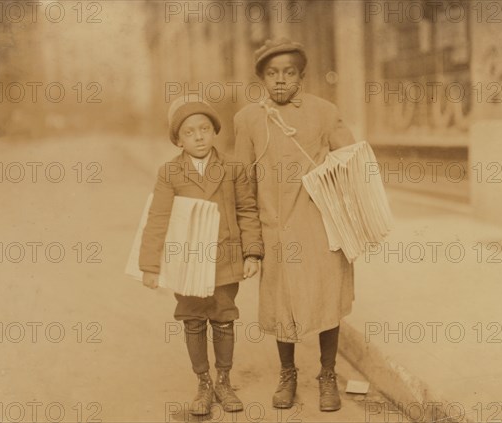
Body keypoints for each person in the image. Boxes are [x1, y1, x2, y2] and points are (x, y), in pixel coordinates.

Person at [233, 38, 356, 412]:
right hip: (275, 232)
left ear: (301, 76)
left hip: (321, 228)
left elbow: (351, 163)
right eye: (272, 74)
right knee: (280, 305)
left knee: (326, 301)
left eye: (289, 73)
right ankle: (287, 373)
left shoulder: (324, 111)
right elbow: (243, 184)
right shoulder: (248, 119)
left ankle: (327, 374)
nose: (280, 81)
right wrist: (252, 243)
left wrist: (340, 198)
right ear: (261, 79)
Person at [139, 95, 264, 416]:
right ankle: (204, 382)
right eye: (189, 132)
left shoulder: (233, 168)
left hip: (225, 258)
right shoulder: (170, 173)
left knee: (224, 317)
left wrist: (252, 253)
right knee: (193, 320)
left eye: (204, 129)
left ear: (214, 132)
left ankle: (224, 379)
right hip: (187, 261)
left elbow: (247, 210)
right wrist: (150, 266)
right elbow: (158, 218)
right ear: (178, 139)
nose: (198, 137)